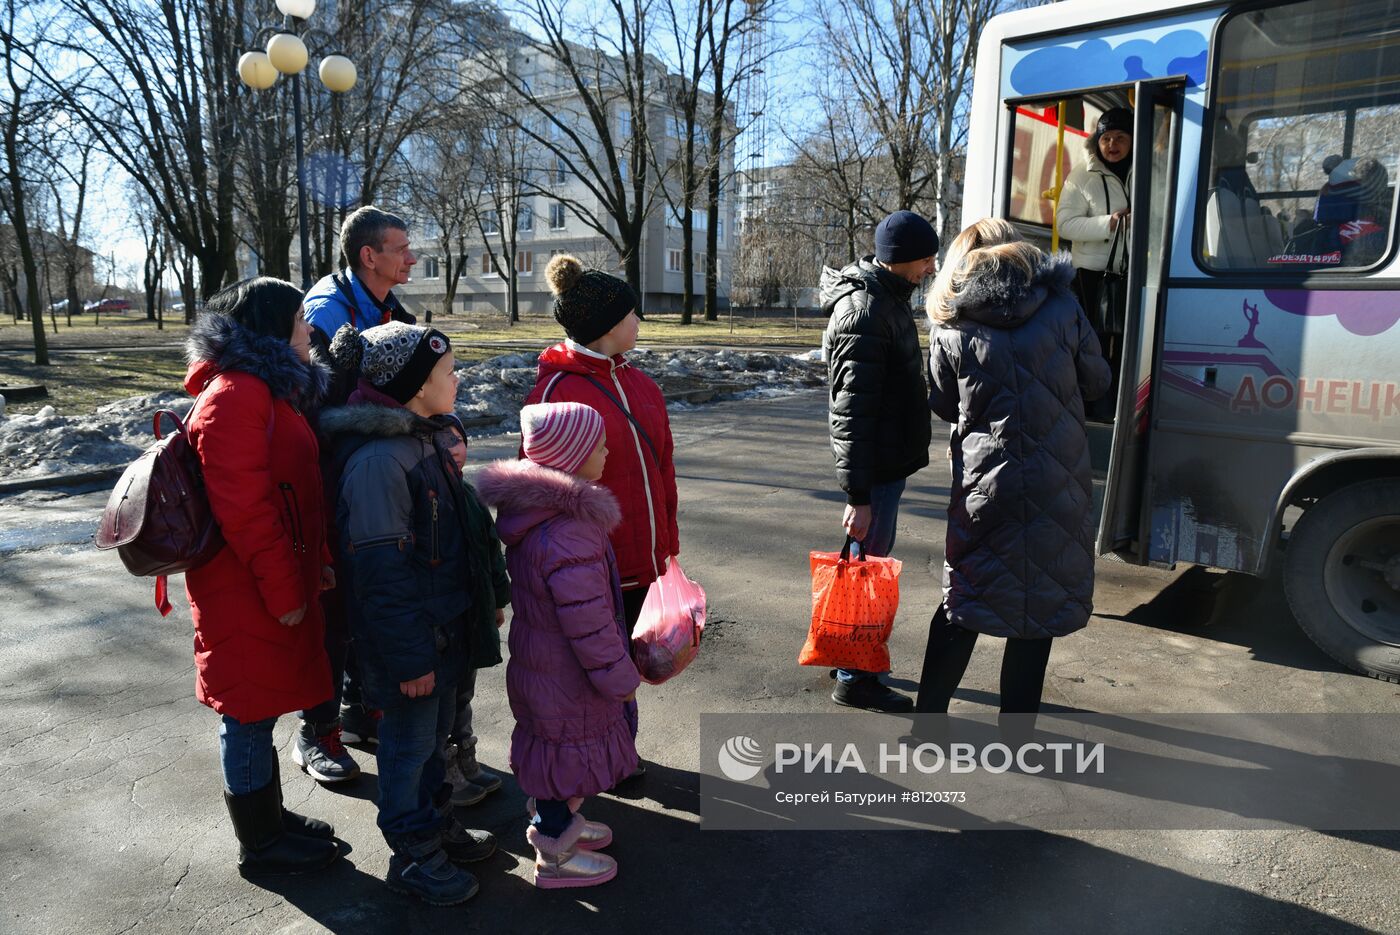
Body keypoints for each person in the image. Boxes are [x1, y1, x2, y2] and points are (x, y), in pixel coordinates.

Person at [319, 322, 496, 906]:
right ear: (415, 385)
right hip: (412, 643)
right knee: (406, 747)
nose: (457, 379)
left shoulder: (423, 441)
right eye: (447, 372)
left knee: (435, 741)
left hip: (442, 632)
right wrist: (410, 655)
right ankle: (412, 853)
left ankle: (435, 826)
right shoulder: (379, 464)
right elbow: (380, 576)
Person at [916, 219, 1111, 719]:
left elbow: (941, 401)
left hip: (987, 485)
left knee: (965, 597)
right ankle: (1017, 733)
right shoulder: (1063, 306)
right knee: (1039, 603)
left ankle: (929, 722)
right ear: (1019, 251)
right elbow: (1097, 380)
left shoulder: (952, 321)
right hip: (1058, 480)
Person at [181, 277, 340, 875]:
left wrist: (315, 565)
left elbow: (294, 489)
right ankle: (260, 844)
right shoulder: (236, 395)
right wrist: (283, 591)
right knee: (246, 714)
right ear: (272, 327)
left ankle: (268, 816)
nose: (310, 329)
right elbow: (245, 510)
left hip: (268, 579)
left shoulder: (264, 390)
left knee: (262, 705)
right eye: (300, 318)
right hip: (244, 587)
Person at [523, 254, 677, 779]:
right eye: (632, 313)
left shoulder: (642, 386)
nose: (640, 321)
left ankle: (618, 751)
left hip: (644, 560)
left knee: (626, 667)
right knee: (597, 668)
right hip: (589, 568)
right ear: (607, 325)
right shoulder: (556, 393)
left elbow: (664, 473)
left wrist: (667, 547)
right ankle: (611, 762)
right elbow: (537, 490)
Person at [476, 402, 641, 889]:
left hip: (544, 667)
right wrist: (620, 678)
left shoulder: (543, 515)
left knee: (560, 752)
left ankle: (563, 823)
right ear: (571, 457)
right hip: (568, 674)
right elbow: (588, 624)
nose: (608, 450)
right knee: (564, 758)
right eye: (599, 444)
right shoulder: (569, 533)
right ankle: (555, 855)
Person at [293, 205, 419, 783]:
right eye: (401, 248)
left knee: (368, 600)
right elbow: (320, 411)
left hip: (367, 471)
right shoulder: (326, 313)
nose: (410, 256)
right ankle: (314, 733)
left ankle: (356, 712)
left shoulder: (387, 305)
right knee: (336, 612)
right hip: (333, 480)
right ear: (369, 256)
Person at [820, 210, 938, 713]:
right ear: (900, 259)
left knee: (858, 564)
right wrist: (858, 497)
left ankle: (843, 653)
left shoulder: (887, 300)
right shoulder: (866, 313)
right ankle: (856, 676)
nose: (932, 267)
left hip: (886, 465)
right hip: (876, 474)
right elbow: (851, 415)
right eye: (926, 258)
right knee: (866, 570)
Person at [437, 414, 510, 807]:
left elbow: (492, 551)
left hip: (475, 612)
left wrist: (497, 600)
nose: (455, 448)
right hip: (449, 615)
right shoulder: (433, 496)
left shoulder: (471, 494)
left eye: (459, 439)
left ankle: (466, 756)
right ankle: (447, 766)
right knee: (447, 694)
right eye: (445, 441)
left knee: (464, 690)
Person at [1056, 106, 1133, 421]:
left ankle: (1118, 411)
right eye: (1106, 138)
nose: (1112, 144)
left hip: (1132, 274)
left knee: (1127, 347)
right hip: (1091, 278)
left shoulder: (1147, 170)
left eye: (1120, 138)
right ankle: (1091, 414)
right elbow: (1065, 225)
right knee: (1094, 349)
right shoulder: (1081, 175)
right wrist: (1108, 224)